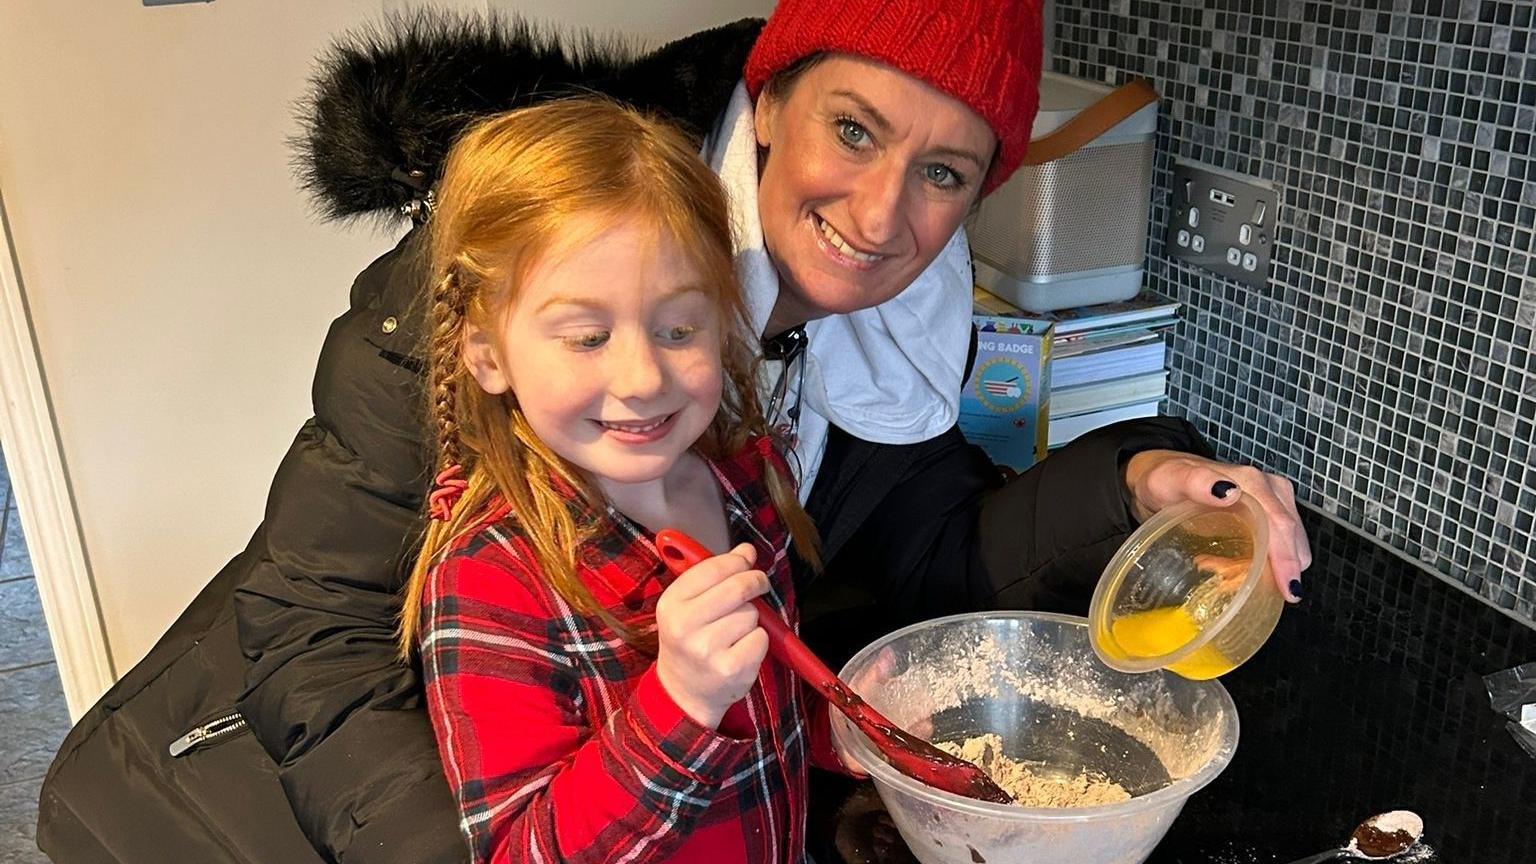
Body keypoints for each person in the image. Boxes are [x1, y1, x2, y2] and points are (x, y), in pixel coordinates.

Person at [38, 4, 1311, 862]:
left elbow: (924, 558)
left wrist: (1134, 478)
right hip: (269, 795)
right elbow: (315, 646)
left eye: (945, 171)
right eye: (854, 129)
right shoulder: (531, 280)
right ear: (770, 102)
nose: (882, 214)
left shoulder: (834, 374)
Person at [407, 97, 848, 862]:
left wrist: (855, 742)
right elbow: (522, 852)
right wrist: (680, 701)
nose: (643, 377)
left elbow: (770, 706)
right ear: (487, 353)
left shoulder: (748, 479)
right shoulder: (489, 580)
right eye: (587, 337)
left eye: (680, 329)